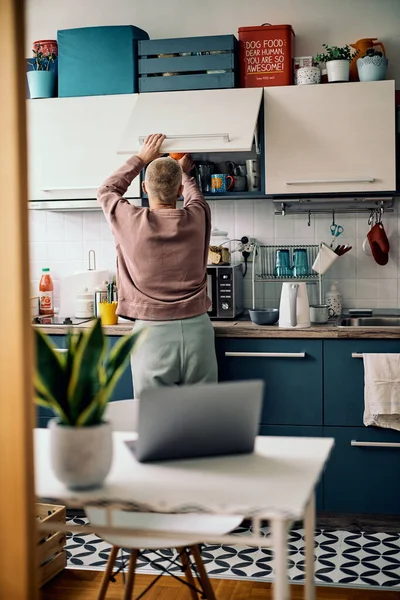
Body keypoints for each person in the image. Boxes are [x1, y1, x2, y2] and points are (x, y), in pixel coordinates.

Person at [97, 133, 217, 397]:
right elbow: (195, 196)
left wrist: (141, 158)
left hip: (151, 335)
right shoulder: (198, 215)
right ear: (178, 191)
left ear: (143, 188)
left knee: (155, 422)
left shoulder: (129, 220)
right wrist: (183, 174)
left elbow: (107, 191)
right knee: (203, 418)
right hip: (198, 331)